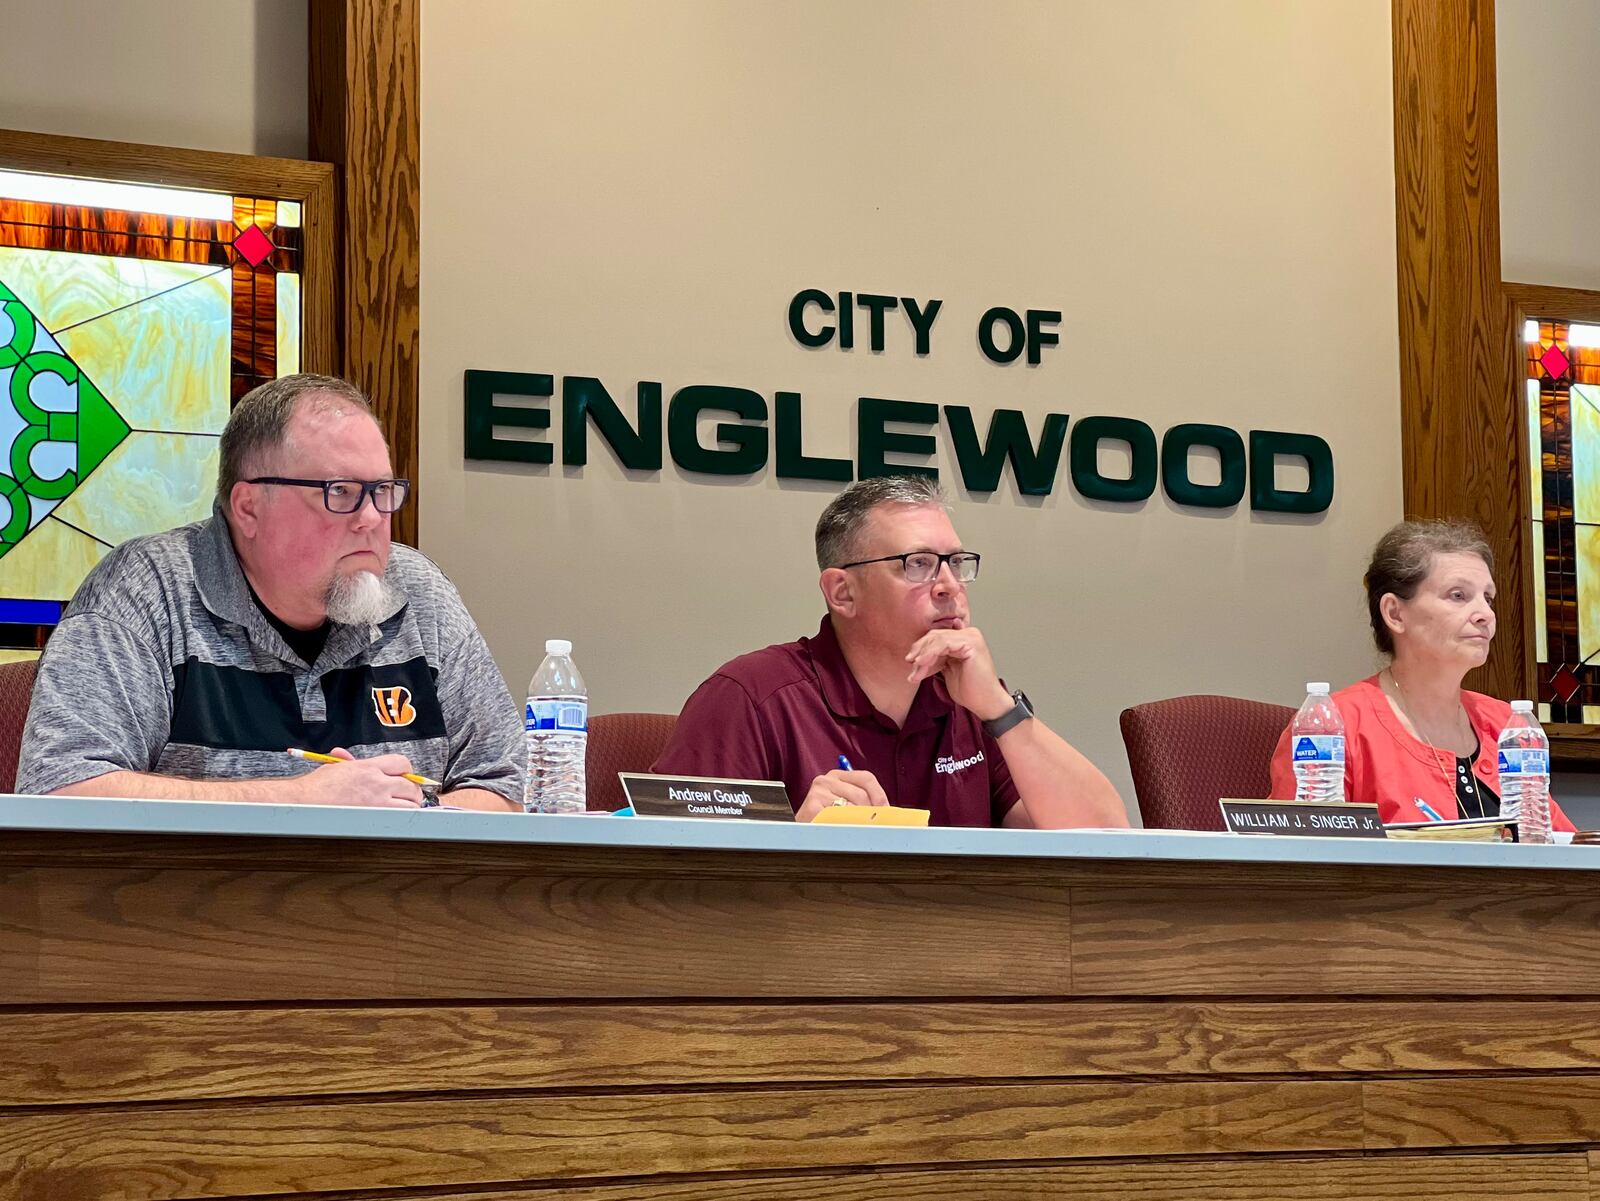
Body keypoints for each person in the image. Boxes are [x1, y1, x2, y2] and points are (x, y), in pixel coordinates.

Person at [17, 373, 524, 810]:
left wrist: (413, 809)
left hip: (397, 914)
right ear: (249, 508)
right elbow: (61, 788)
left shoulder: (418, 592)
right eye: (341, 493)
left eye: (383, 491)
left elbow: (509, 784)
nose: (372, 519)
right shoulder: (145, 593)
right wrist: (303, 799)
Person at [652, 475, 1126, 828]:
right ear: (842, 593)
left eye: (956, 563)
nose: (949, 586)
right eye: (918, 564)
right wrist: (793, 837)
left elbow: (1106, 837)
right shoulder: (750, 697)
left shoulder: (973, 702)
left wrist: (1000, 710)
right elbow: (670, 880)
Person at [1269, 519, 1574, 830]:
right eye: (1458, 595)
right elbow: (1300, 863)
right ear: (1395, 613)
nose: (1486, 614)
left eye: (1488, 597)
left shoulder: (1507, 725)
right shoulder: (1337, 727)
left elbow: (1567, 851)